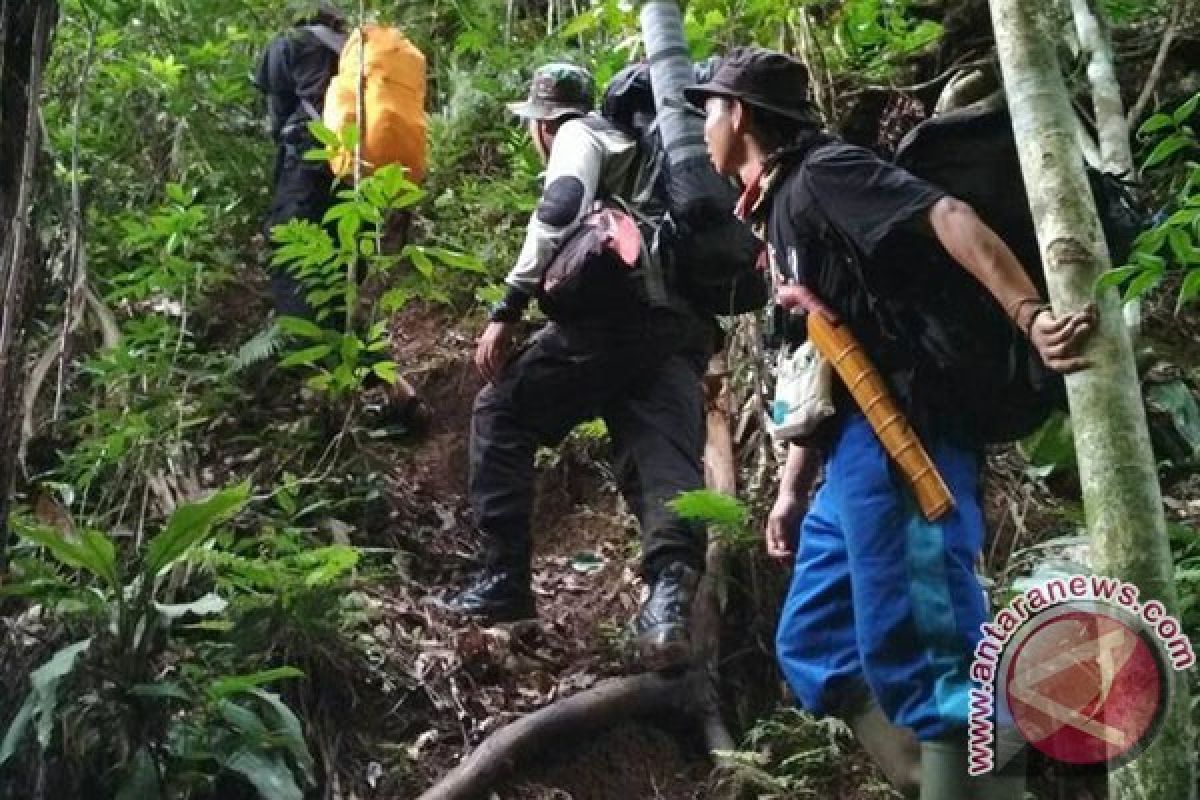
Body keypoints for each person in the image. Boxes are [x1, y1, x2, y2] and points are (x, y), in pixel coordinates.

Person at [685, 48, 1095, 798]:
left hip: (908, 440)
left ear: (738, 114)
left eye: (707, 109)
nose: (703, 126)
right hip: (849, 456)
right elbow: (822, 360)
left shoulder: (825, 174)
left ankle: (986, 781)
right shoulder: (778, 210)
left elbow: (948, 215)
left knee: (938, 663)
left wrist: (1029, 314)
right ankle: (935, 779)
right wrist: (792, 487)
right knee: (816, 640)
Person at [443, 64, 716, 670]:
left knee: (502, 409)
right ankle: (668, 607)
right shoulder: (654, 155)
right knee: (660, 453)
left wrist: (508, 304)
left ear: (543, 122)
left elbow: (563, 201)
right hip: (678, 324)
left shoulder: (578, 134)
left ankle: (504, 583)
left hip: (615, 316)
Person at [254, 1, 347, 317]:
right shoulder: (358, 47)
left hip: (307, 161)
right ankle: (337, 334)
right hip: (353, 165)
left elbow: (278, 105)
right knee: (341, 249)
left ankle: (298, 347)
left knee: (293, 249)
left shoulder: (290, 42)